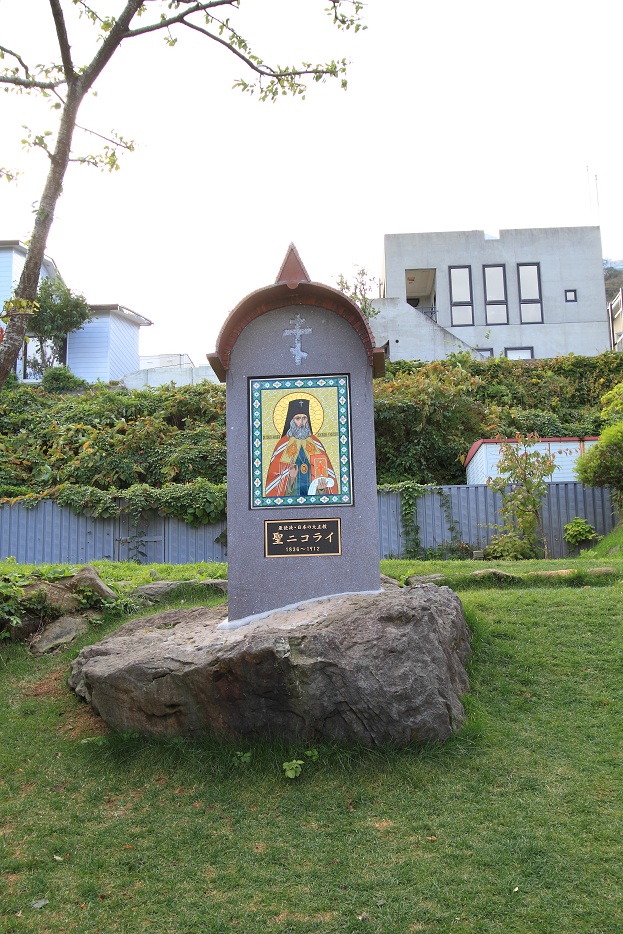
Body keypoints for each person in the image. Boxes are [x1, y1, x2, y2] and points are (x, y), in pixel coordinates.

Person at [264, 396, 337, 498]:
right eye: (298, 418)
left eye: (304, 418)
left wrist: (321, 489)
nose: (302, 423)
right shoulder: (283, 444)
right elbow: (274, 479)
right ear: (291, 421)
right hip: (292, 497)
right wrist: (291, 478)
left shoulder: (315, 443)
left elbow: (326, 474)